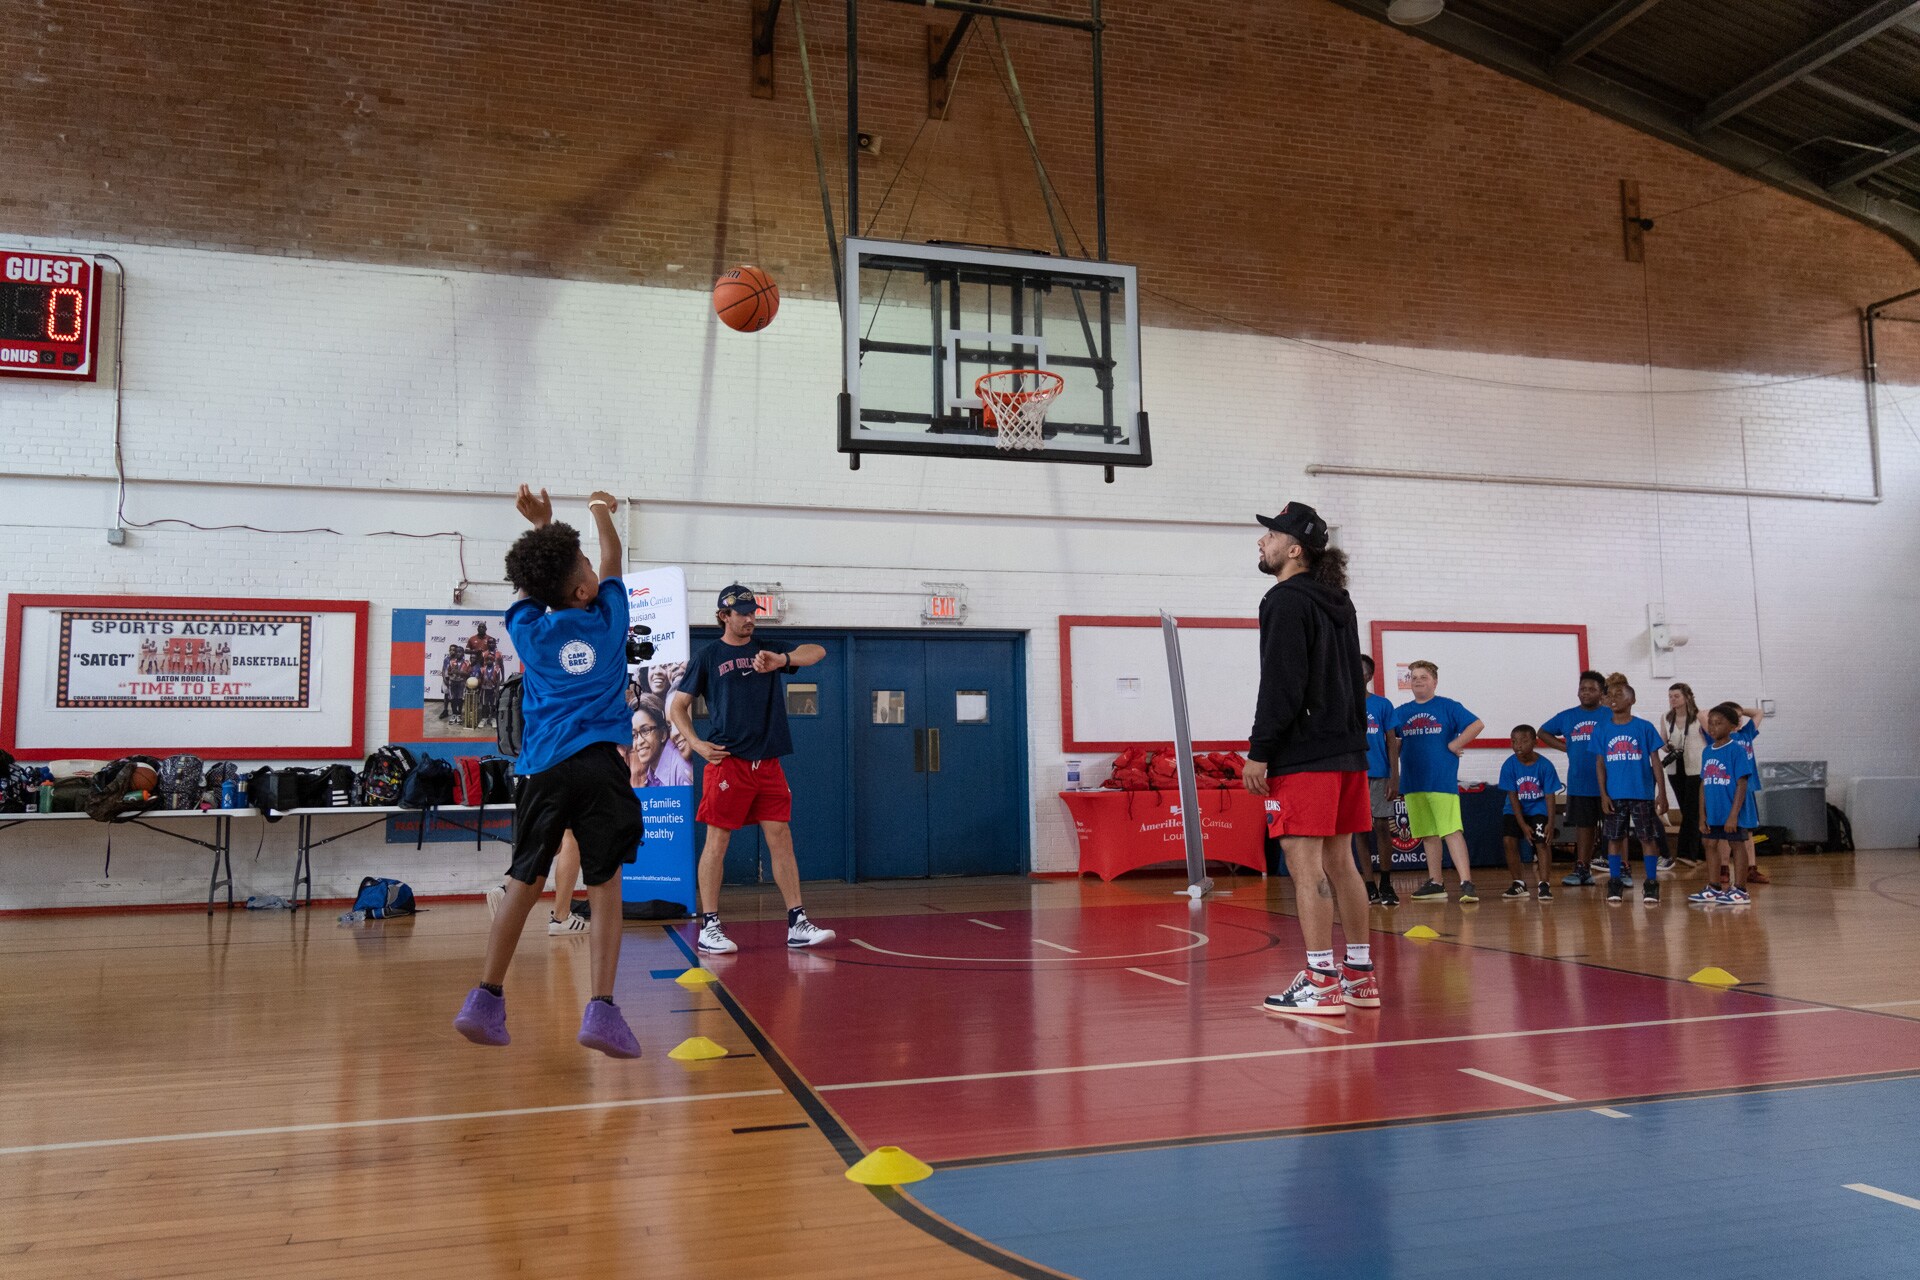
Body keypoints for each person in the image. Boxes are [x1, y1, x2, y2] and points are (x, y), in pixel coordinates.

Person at [454, 485, 644, 1058]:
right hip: (601, 765)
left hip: (541, 769)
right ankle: (602, 1011)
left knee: (525, 876)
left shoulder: (528, 630)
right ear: (585, 590)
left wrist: (542, 527)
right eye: (582, 563)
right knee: (605, 880)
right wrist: (598, 512)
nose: (591, 561)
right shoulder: (609, 623)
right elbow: (612, 558)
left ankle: (485, 998)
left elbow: (535, 585)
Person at [1242, 503, 1378, 1017]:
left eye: (1270, 535)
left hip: (1304, 756)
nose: (1261, 543)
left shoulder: (1284, 600)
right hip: (1346, 752)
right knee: (1342, 864)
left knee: (1307, 871)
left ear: (1294, 549)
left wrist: (1260, 750)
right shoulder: (1338, 600)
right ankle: (1359, 978)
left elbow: (1281, 683)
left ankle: (1321, 981)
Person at [669, 585, 835, 954]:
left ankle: (797, 922)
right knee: (718, 841)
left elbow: (818, 651)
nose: (749, 619)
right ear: (723, 616)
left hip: (769, 763)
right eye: (741, 613)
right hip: (729, 763)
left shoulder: (768, 645)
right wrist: (696, 744)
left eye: (752, 612)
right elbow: (677, 707)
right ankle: (710, 926)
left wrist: (781, 660)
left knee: (781, 838)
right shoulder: (708, 656)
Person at [1388, 661, 1484, 904]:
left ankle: (1466, 882)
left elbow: (1477, 724)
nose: (1418, 681)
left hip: (1440, 782)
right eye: (1414, 677)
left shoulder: (1448, 706)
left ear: (1434, 681)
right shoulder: (1401, 712)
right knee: (1428, 834)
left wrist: (1455, 744)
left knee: (1451, 830)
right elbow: (1393, 741)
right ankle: (1436, 883)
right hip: (1413, 783)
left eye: (1423, 677)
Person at [1594, 683, 1670, 906]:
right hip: (1614, 794)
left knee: (1647, 838)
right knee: (1615, 839)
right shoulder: (1602, 729)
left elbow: (1655, 762)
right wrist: (1603, 794)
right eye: (1610, 695)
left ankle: (1651, 882)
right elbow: (1600, 764)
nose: (1613, 698)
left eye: (1619, 694)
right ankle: (1615, 881)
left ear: (1631, 700)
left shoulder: (1644, 727)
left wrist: (1662, 793)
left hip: (1642, 793)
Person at [1538, 671, 1609, 888]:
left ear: (1601, 693)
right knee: (1584, 827)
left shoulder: (1609, 715)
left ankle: (1619, 869)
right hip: (1580, 781)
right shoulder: (1568, 716)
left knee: (1614, 828)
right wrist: (1565, 747)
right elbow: (1543, 732)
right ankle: (1582, 869)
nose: (1586, 693)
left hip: (1609, 783)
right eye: (1582, 689)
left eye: (1592, 689)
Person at [1688, 701, 1759, 907]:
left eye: (1718, 723)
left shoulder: (1736, 750)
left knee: (1737, 844)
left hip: (1731, 810)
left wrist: (1734, 815)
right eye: (1710, 723)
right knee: (1709, 843)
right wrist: (1702, 815)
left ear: (1732, 726)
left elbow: (1742, 783)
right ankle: (1714, 887)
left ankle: (1740, 890)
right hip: (1714, 811)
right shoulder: (1708, 751)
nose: (1713, 727)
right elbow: (1703, 784)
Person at [1357, 654, 1401, 908]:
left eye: (1361, 671)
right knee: (1360, 830)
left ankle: (1386, 883)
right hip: (1353, 775)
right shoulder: (1342, 703)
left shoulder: (1382, 705)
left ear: (1369, 676)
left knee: (1383, 827)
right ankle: (1369, 885)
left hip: (1379, 773)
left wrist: (1394, 776)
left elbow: (1392, 742)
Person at [1498, 725, 1560, 901]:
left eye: (1524, 741)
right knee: (1508, 839)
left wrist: (1550, 822)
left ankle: (1544, 885)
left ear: (1535, 742)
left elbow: (1550, 796)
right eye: (1514, 741)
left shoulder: (1545, 766)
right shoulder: (1509, 765)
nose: (1518, 745)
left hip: (1538, 809)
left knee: (1542, 842)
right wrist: (1523, 825)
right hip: (1515, 809)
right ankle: (1518, 884)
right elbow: (1513, 798)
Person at [1660, 682, 1705, 873]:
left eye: (1676, 696)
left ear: (1687, 697)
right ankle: (1700, 853)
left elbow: (1710, 738)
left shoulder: (1699, 716)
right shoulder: (1666, 717)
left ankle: (1687, 853)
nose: (1672, 699)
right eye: (1670, 696)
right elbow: (1661, 742)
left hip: (1696, 767)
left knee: (1693, 809)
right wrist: (1667, 747)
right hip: (1675, 767)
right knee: (1688, 811)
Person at [630, 692, 692, 788]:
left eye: (645, 730)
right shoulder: (650, 772)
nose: (639, 742)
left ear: (663, 734)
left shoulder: (681, 769)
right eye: (634, 735)